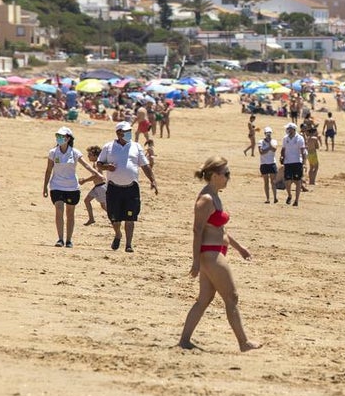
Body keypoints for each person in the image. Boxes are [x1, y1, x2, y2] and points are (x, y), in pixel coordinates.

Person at [178, 157, 260, 352]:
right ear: (215, 176)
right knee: (231, 297)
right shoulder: (206, 199)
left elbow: (220, 228)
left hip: (215, 252)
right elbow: (197, 230)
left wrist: (240, 248)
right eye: (226, 174)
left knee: (204, 299)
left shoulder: (215, 195)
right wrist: (196, 261)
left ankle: (184, 341)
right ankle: (244, 342)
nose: (228, 178)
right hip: (211, 254)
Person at [96, 121, 158, 253]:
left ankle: (128, 244)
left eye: (130, 131)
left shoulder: (136, 146)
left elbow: (145, 165)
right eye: (126, 132)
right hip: (114, 188)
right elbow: (99, 164)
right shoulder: (109, 147)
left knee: (130, 217)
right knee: (115, 218)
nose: (129, 133)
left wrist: (153, 180)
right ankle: (118, 234)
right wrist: (107, 167)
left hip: (131, 187)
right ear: (119, 133)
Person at [42, 126, 100, 248]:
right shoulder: (53, 152)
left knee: (70, 213)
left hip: (72, 187)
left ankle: (68, 240)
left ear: (68, 138)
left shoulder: (75, 152)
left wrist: (97, 173)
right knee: (59, 210)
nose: (59, 138)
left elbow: (86, 165)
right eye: (57, 136)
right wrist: (45, 187)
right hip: (56, 186)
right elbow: (48, 170)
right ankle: (60, 239)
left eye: (62, 136)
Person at [280, 122, 306, 206]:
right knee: (287, 181)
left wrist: (304, 162)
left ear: (293, 129)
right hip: (288, 162)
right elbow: (283, 149)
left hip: (297, 162)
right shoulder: (285, 138)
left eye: (289, 129)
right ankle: (289, 195)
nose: (287, 130)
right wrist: (281, 157)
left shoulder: (300, 138)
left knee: (298, 181)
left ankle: (296, 200)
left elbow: (303, 151)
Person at [81, 145, 107, 225]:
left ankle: (115, 217)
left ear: (95, 155)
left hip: (101, 187)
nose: (88, 156)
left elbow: (96, 175)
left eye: (90, 154)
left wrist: (85, 180)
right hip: (97, 187)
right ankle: (91, 219)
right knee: (87, 200)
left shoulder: (97, 163)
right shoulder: (95, 163)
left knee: (104, 206)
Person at [257, 127, 279, 204]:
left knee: (273, 181)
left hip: (272, 163)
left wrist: (269, 144)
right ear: (265, 134)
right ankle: (268, 198)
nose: (268, 135)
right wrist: (269, 148)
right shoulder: (261, 141)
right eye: (267, 133)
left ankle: (275, 197)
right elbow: (261, 152)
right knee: (266, 182)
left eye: (269, 133)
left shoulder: (274, 141)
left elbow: (274, 149)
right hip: (264, 164)